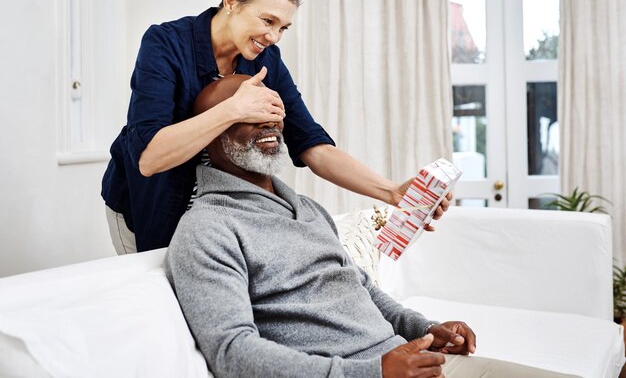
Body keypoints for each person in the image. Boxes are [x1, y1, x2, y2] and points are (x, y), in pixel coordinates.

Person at [164, 75, 579, 378]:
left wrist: (427, 329)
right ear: (209, 135)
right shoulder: (207, 229)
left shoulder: (307, 208)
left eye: (273, 113)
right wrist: (375, 372)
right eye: (252, 114)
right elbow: (233, 354)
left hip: (411, 363)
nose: (271, 123)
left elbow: (363, 290)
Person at [101, 0, 451, 254]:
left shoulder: (267, 60)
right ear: (232, 1)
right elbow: (150, 159)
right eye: (267, 20)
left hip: (209, 215)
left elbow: (312, 145)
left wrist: (392, 192)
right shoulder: (165, 44)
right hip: (143, 201)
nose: (273, 36)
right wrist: (234, 109)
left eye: (283, 27)